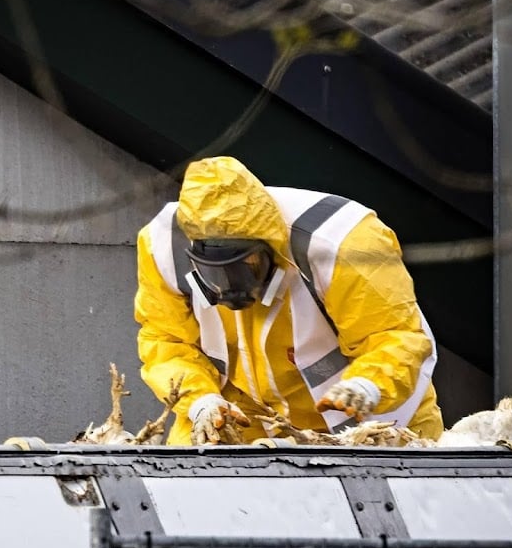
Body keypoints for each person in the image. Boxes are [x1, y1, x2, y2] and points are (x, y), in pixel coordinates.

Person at [134, 156, 443, 445]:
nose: (232, 286)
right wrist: (200, 401)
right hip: (240, 415)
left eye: (247, 266)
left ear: (272, 249)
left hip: (365, 416)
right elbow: (165, 340)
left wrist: (367, 385)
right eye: (216, 273)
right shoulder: (163, 247)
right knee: (196, 482)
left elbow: (393, 335)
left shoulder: (343, 243)